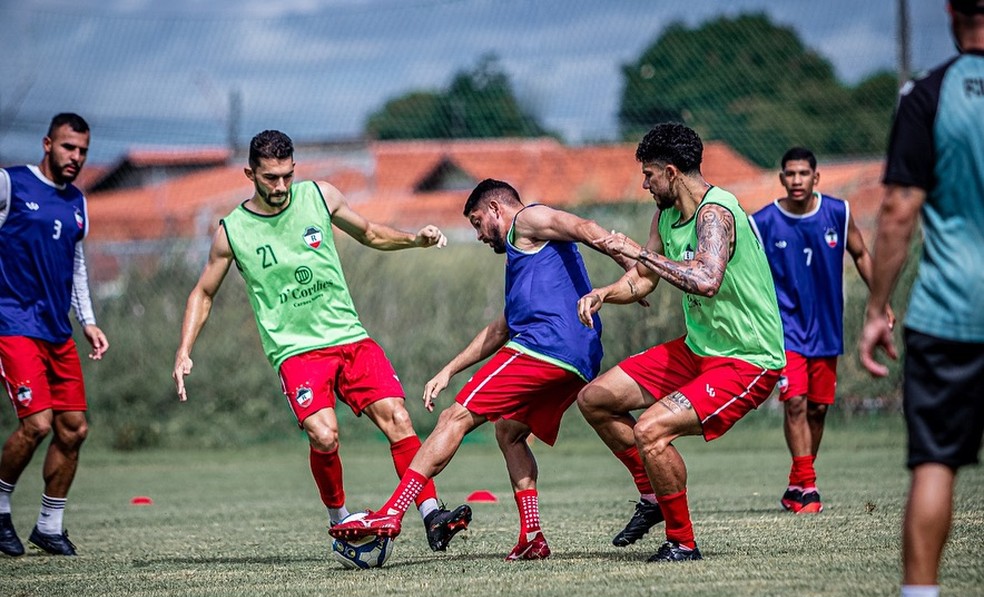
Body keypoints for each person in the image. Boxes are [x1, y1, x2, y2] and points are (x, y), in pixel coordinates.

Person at [171, 130, 470, 552]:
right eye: (270, 178)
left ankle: (431, 514)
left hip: (350, 338)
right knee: (324, 435)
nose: (279, 187)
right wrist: (185, 349)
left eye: (286, 176)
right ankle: (341, 521)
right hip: (296, 353)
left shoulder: (320, 196)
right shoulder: (233, 231)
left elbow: (369, 232)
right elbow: (203, 293)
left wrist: (413, 240)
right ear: (249, 173)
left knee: (399, 419)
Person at [329, 178, 640, 560]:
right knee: (509, 431)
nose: (477, 234)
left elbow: (586, 228)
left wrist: (632, 270)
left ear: (496, 209)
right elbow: (501, 328)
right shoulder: (525, 257)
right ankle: (532, 536)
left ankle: (391, 513)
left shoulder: (528, 218)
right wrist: (449, 369)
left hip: (546, 346)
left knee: (454, 418)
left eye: (477, 222)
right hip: (579, 356)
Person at [575, 122, 786, 562]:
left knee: (651, 430)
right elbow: (644, 280)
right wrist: (604, 294)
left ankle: (683, 543)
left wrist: (640, 252)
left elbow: (707, 279)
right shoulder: (665, 216)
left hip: (747, 360)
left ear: (671, 173)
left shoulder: (716, 213)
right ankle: (653, 495)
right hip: (698, 350)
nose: (645, 184)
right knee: (595, 398)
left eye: (649, 175)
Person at [861, 0, 984, 597]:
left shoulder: (925, 96)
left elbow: (898, 212)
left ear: (949, 11)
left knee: (935, 464)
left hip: (950, 310)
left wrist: (878, 308)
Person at [750, 147, 890, 514]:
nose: (796, 180)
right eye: (790, 174)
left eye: (803, 174)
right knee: (794, 403)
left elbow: (860, 253)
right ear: (781, 178)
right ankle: (809, 487)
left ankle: (797, 483)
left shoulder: (837, 213)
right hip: (784, 330)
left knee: (818, 409)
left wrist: (880, 299)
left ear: (816, 177)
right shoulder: (762, 222)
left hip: (826, 329)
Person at [0, 113, 109, 557]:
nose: (76, 157)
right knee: (37, 424)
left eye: (82, 150)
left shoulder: (78, 201)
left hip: (57, 330)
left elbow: (77, 266)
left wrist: (88, 320)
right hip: (13, 324)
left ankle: (49, 525)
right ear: (47, 143)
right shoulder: (11, 185)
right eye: (68, 147)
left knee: (73, 428)